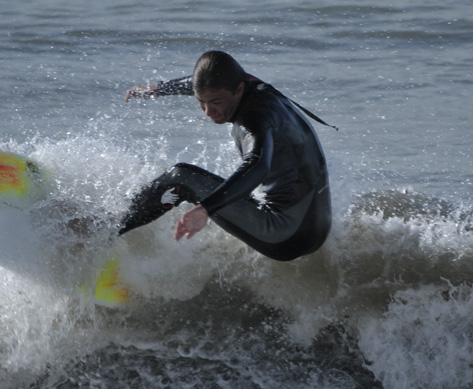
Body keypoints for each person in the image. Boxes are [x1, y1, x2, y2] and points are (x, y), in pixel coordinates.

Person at [120, 51, 332, 262]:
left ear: (239, 89)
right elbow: (200, 84)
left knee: (182, 177)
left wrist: (205, 209)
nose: (208, 111)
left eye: (216, 102)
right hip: (316, 228)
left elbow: (258, 166)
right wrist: (159, 89)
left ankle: (108, 229)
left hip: (284, 235)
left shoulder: (254, 119)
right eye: (201, 102)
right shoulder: (251, 85)